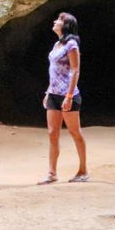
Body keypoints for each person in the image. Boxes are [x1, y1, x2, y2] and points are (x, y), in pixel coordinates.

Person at [38, 12, 89, 184]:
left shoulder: (72, 45)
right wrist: (47, 92)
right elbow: (54, 71)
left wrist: (68, 95)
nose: (55, 22)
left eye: (59, 20)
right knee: (53, 133)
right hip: (53, 93)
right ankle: (52, 173)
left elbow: (75, 70)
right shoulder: (57, 44)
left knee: (75, 132)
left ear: (66, 26)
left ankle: (83, 170)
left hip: (68, 95)